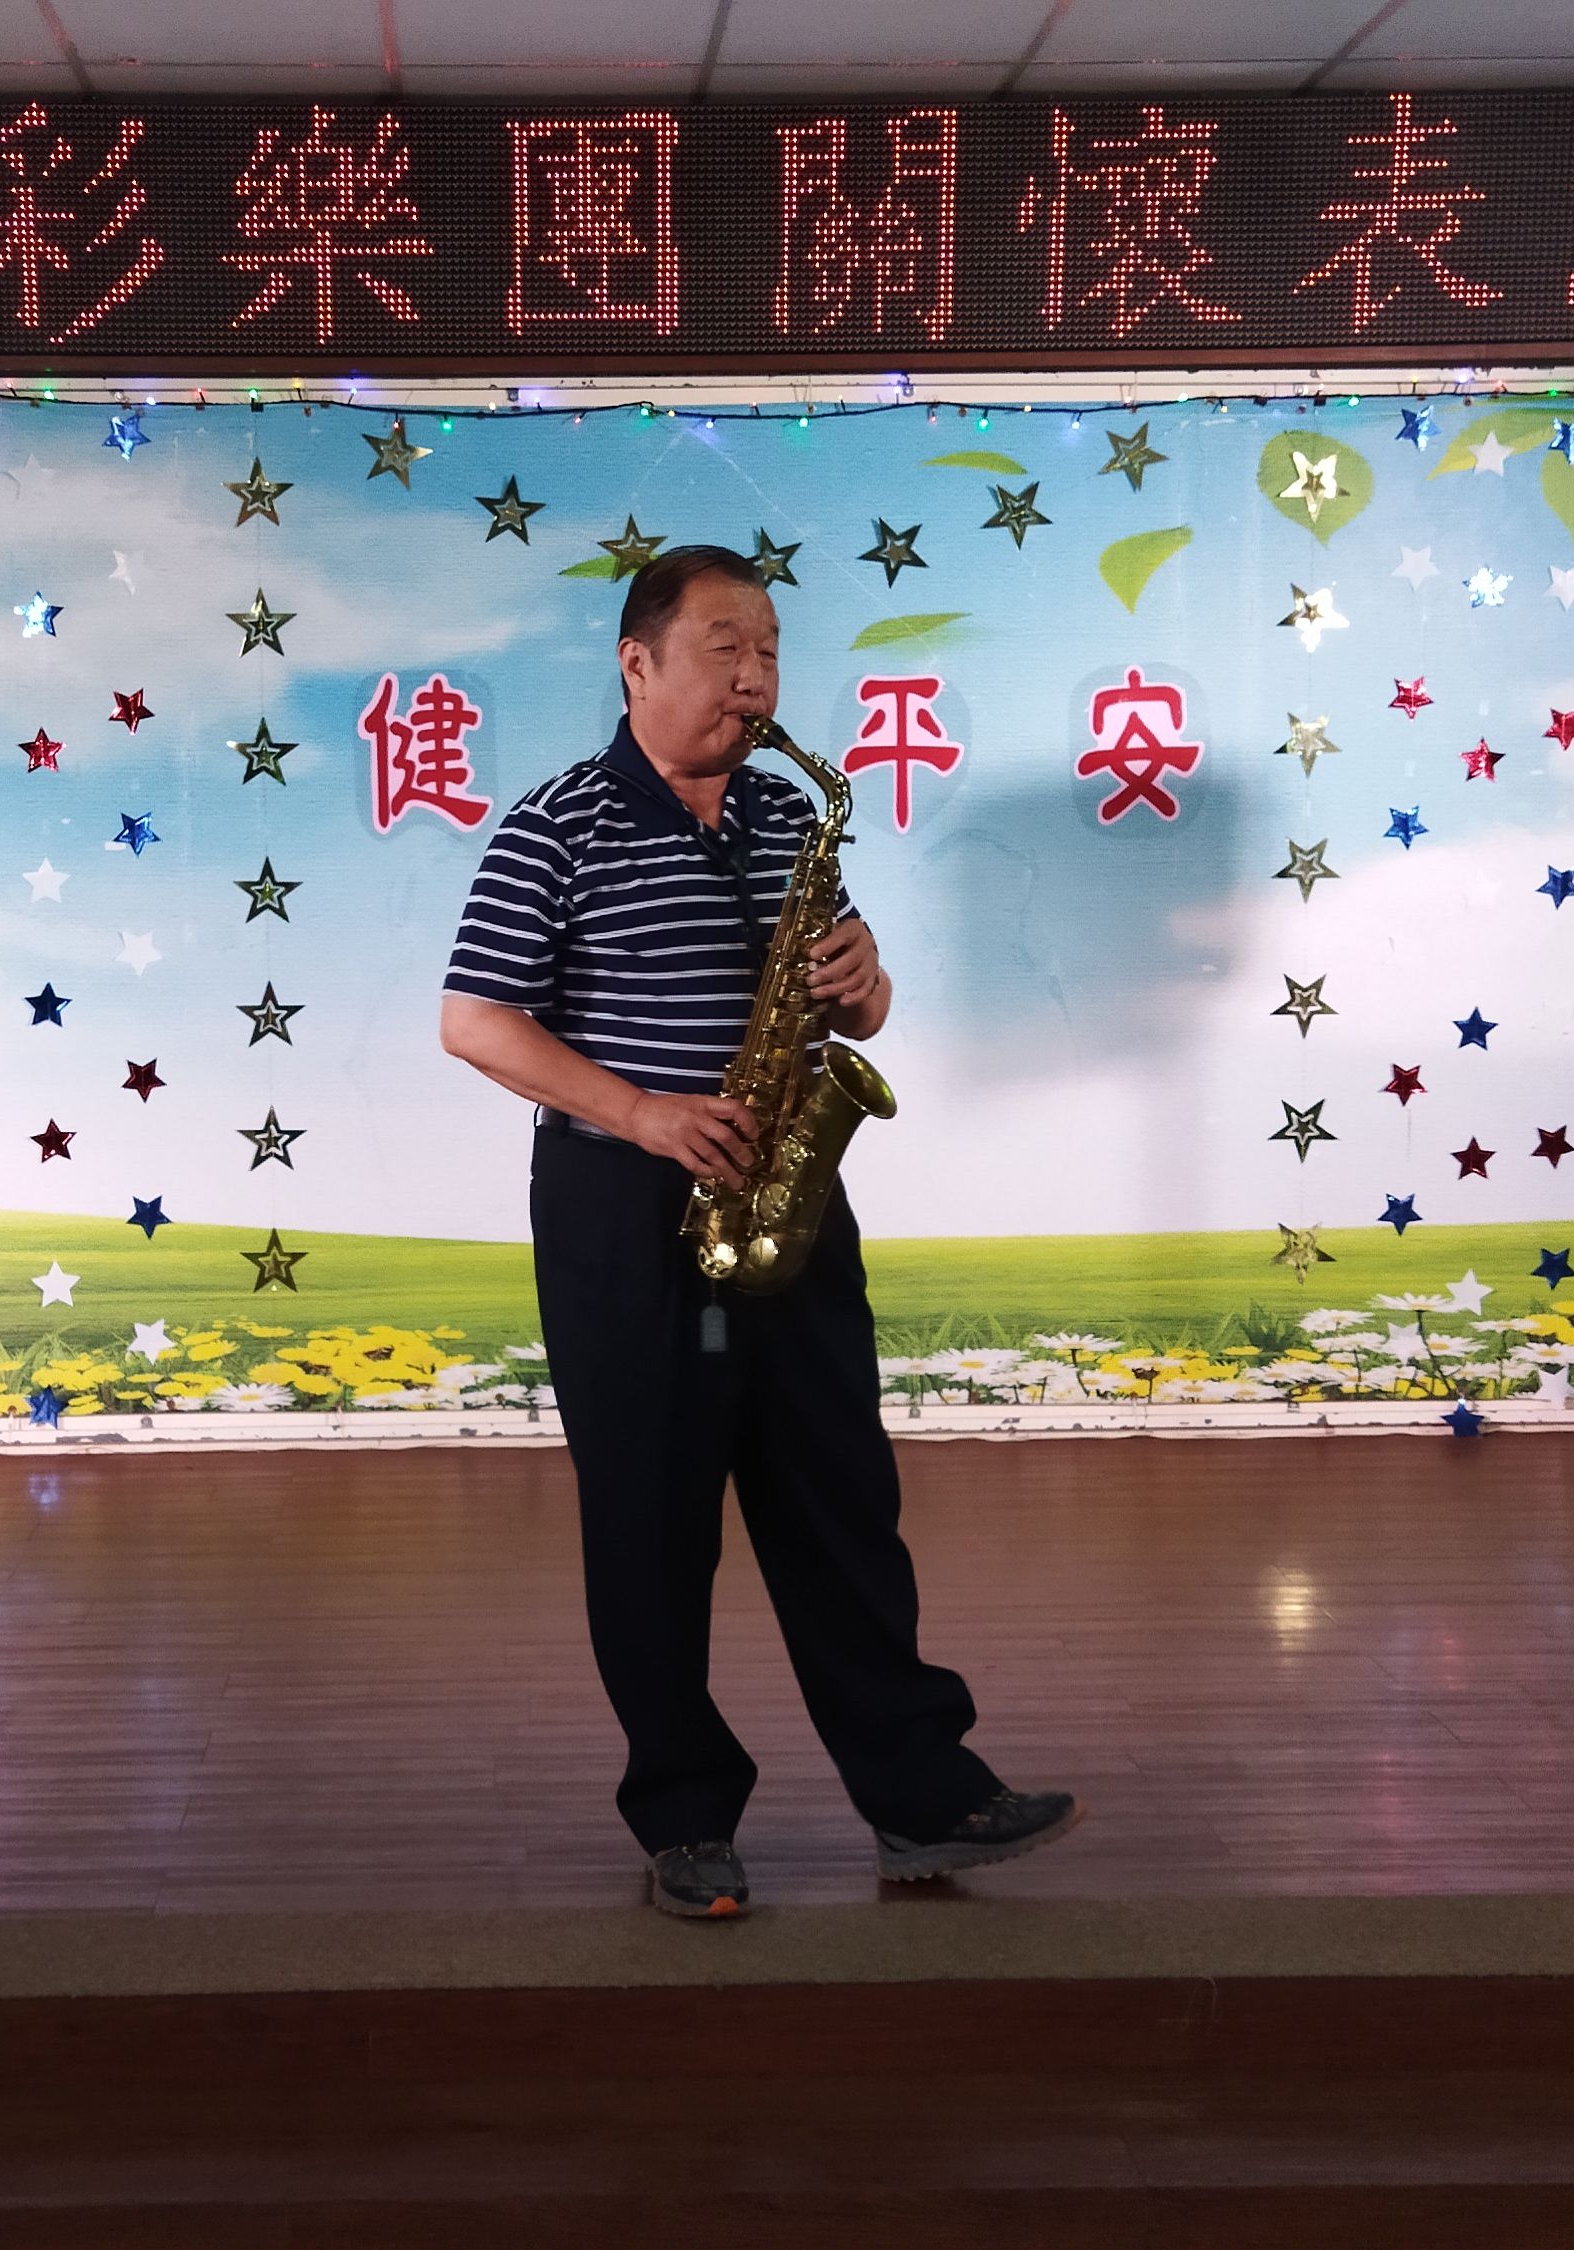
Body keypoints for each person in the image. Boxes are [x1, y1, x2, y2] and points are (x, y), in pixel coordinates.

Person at [439, 544, 1080, 1920]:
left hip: (788, 1187)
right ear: (637, 663)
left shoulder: (789, 812)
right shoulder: (556, 825)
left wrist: (867, 979)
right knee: (651, 1523)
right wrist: (642, 1111)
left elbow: (862, 1006)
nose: (756, 680)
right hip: (626, 1205)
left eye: (771, 653)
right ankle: (684, 1819)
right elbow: (475, 1020)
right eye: (725, 649)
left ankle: (921, 1795)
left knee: (844, 1502)